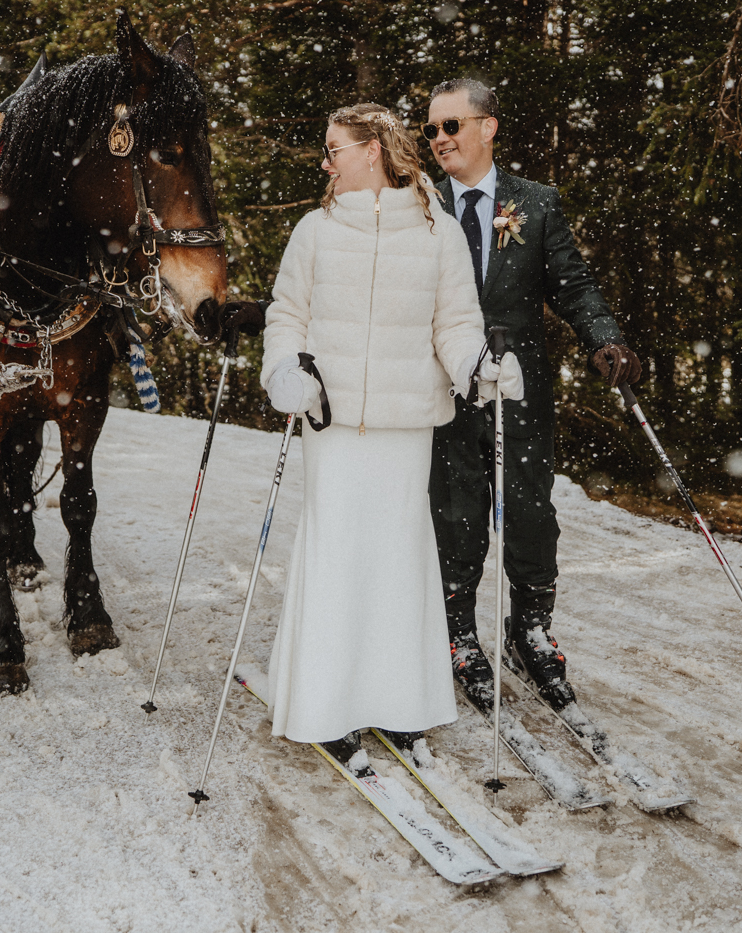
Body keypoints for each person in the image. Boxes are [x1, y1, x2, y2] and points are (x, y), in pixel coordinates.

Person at [258, 102, 513, 762]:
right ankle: (325, 704)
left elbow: (455, 325)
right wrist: (285, 369)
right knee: (336, 557)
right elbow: (288, 313)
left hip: (405, 425)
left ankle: (400, 706)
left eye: (334, 147)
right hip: (333, 422)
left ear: (372, 150)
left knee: (399, 564)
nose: (325, 160)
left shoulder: (437, 234)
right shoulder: (314, 230)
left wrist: (478, 367)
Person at [424, 78, 643, 713]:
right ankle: (459, 632)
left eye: (451, 126)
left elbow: (573, 285)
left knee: (528, 508)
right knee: (454, 509)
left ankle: (533, 628)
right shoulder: (422, 204)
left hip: (521, 387)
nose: (439, 139)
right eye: (432, 130)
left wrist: (605, 338)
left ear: (487, 127)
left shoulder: (536, 204)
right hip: (446, 385)